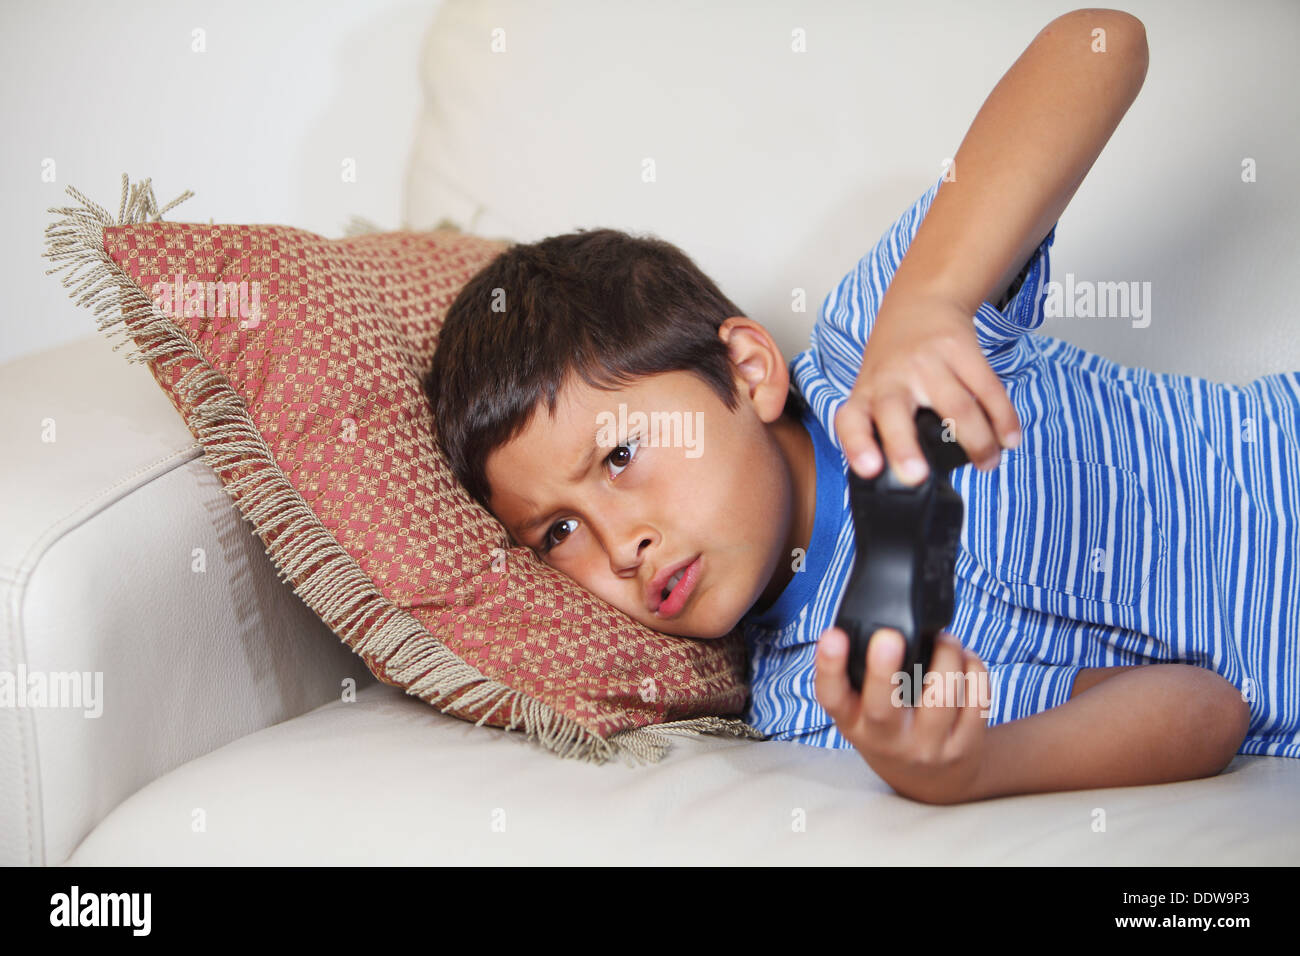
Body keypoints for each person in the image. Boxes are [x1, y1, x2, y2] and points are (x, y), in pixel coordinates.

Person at [424, 9, 1300, 804]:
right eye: (558, 534)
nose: (620, 549)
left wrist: (933, 302)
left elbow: (1102, 44)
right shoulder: (816, 700)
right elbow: (1208, 710)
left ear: (748, 369)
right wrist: (966, 769)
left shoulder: (872, 348)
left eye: (619, 457)